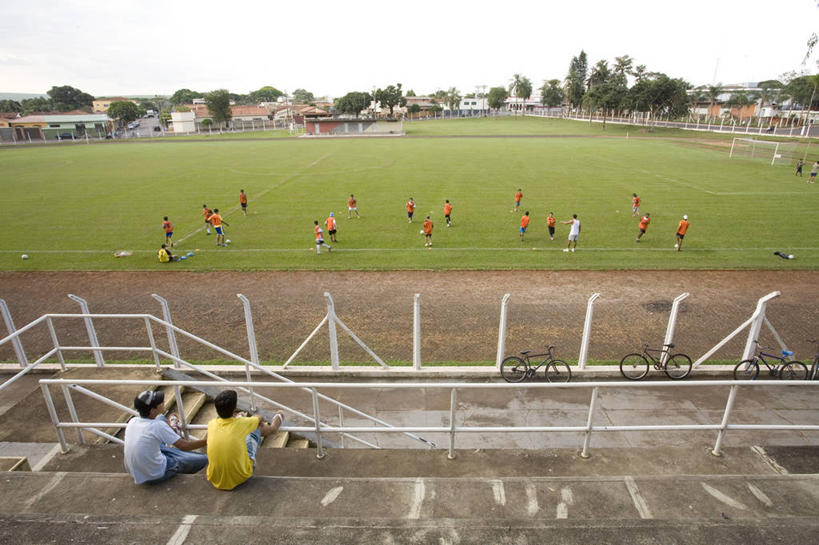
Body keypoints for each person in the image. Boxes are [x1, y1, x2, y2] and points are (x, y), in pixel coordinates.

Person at [123, 389, 208, 485]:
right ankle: (172, 435)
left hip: (134, 472)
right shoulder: (158, 426)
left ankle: (171, 433)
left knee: (161, 418)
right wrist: (209, 441)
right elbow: (185, 446)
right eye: (160, 403)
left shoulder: (133, 421)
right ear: (152, 410)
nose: (163, 403)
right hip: (154, 474)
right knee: (204, 459)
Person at [206, 389, 283, 491]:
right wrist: (250, 419)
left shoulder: (211, 424)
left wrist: (240, 418)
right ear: (234, 408)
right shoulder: (241, 423)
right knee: (256, 429)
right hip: (241, 476)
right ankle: (274, 427)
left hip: (214, 478)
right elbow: (259, 418)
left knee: (240, 435)